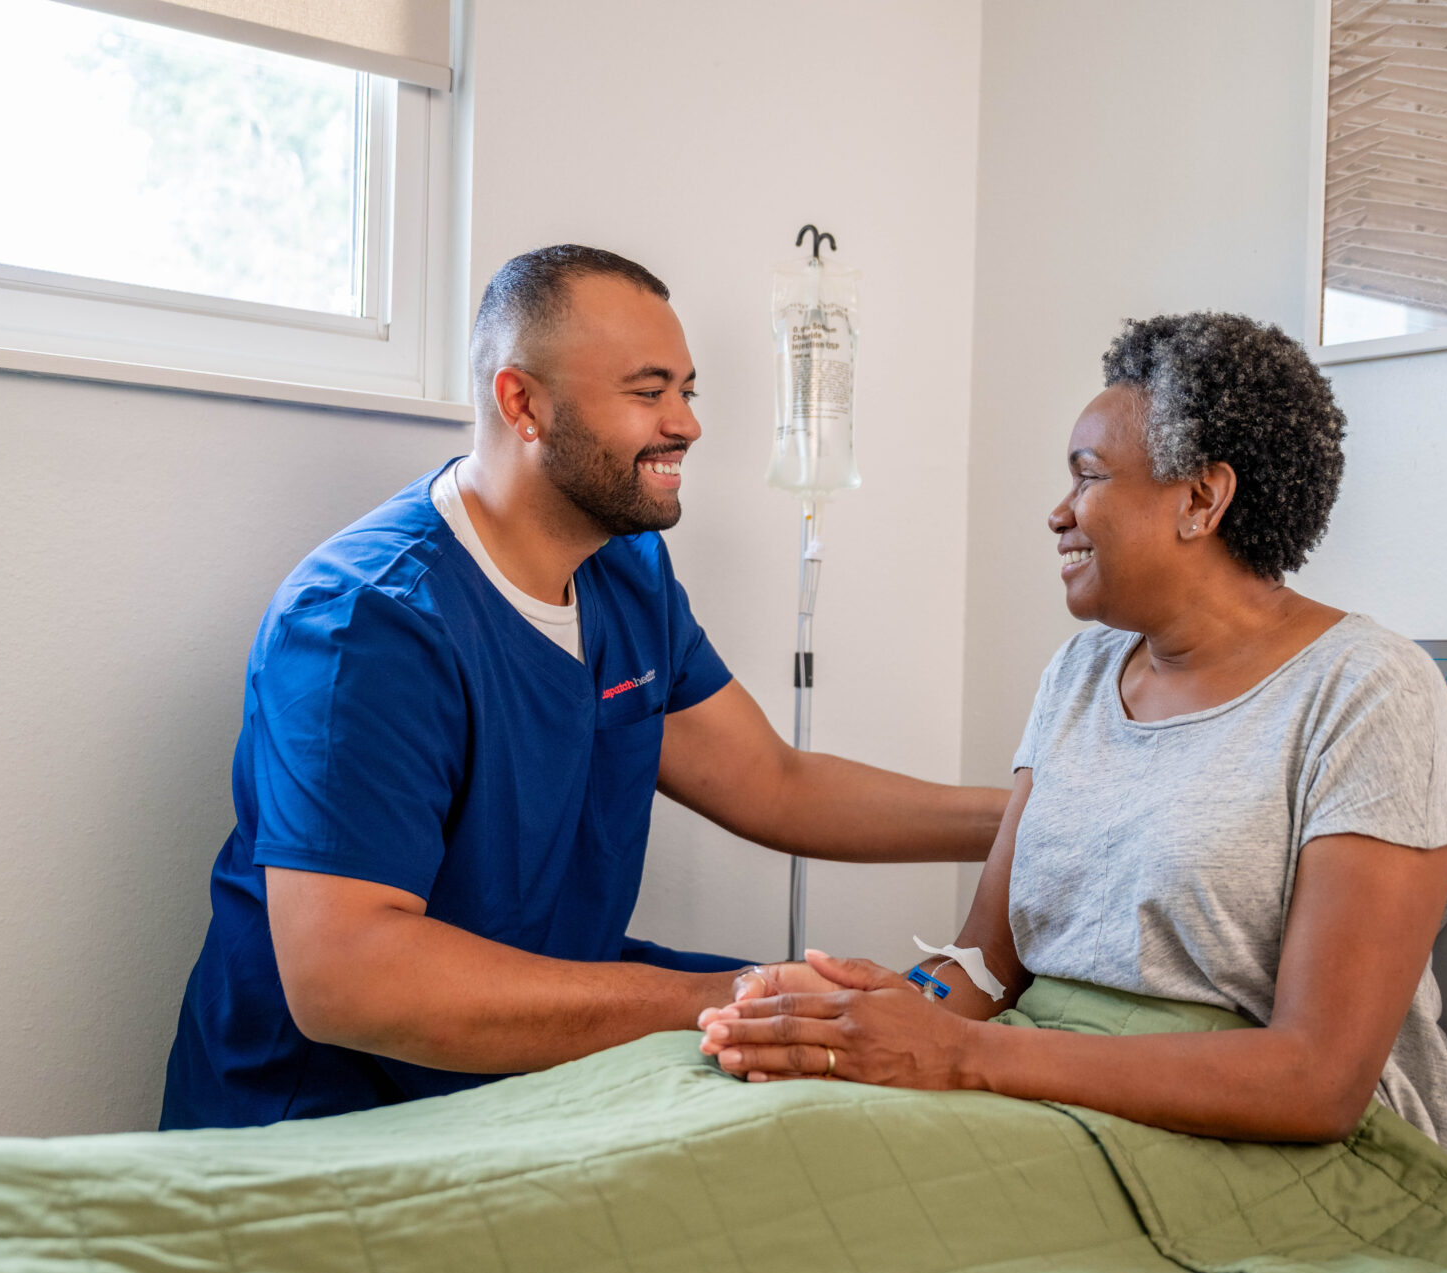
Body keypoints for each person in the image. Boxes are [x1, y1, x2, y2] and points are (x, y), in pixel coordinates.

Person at [161, 246, 1009, 1129]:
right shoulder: (365, 622)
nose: (687, 424)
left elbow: (775, 782)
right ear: (521, 402)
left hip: (530, 1074)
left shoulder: (628, 574)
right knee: (784, 1018)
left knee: (848, 1049)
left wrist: (1029, 817)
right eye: (649, 393)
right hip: (329, 1112)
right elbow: (348, 981)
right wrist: (728, 994)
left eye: (689, 389)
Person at [699, 312, 1447, 1161]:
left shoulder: (1369, 691)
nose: (1058, 513)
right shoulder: (1081, 673)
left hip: (1270, 1138)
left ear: (1200, 499)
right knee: (744, 1126)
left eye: (1088, 477)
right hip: (1040, 1075)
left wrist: (967, 1057)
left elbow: (1317, 1079)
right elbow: (985, 961)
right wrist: (876, 1010)